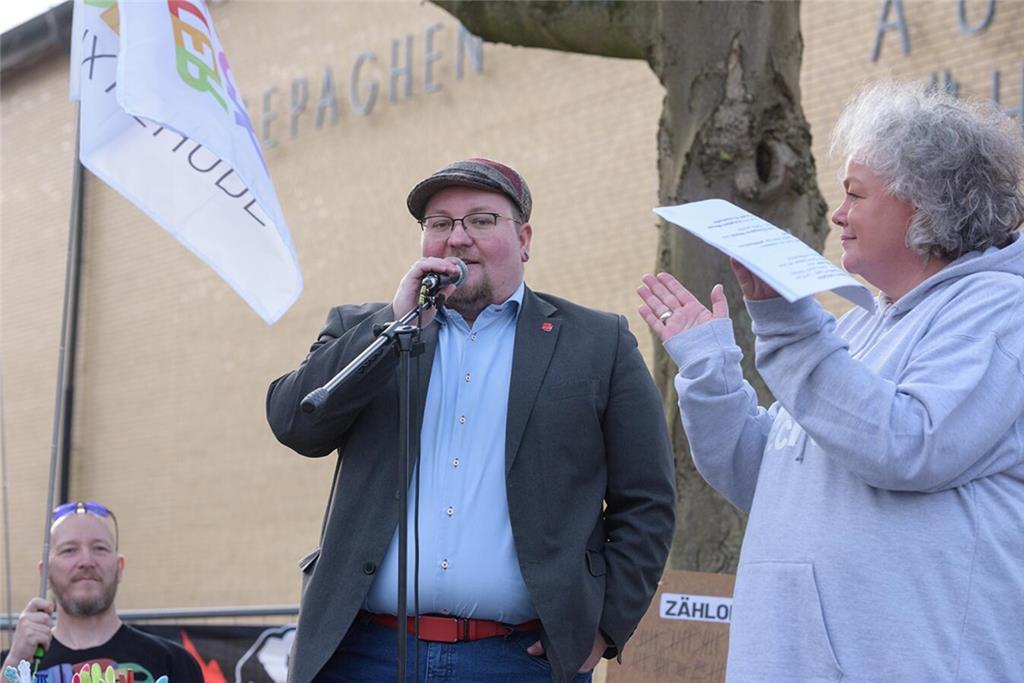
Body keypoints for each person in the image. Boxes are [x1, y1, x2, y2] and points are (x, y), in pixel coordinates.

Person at [637, 81, 1024, 680]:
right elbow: (761, 476)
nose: (838, 214)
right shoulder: (861, 325)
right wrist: (708, 367)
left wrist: (790, 328)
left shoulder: (1001, 311)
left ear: (925, 204)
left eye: (855, 194)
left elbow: (908, 444)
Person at [267, 158, 676, 683]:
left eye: (481, 220)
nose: (457, 238)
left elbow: (647, 500)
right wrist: (392, 325)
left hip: (517, 660)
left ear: (524, 239)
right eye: (439, 223)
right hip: (365, 653)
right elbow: (295, 423)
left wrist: (602, 626)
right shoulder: (370, 330)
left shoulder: (598, 343)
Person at [2, 502, 203, 683]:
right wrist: (15, 663)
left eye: (99, 548)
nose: (86, 561)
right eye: (69, 550)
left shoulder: (172, 662)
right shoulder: (11, 665)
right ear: (45, 573)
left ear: (119, 568)